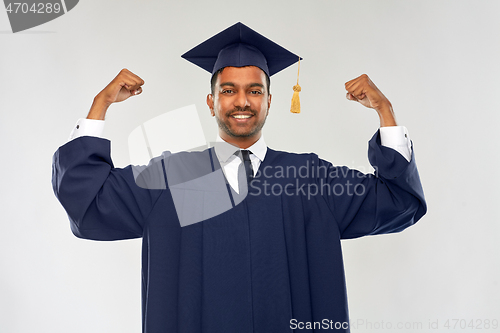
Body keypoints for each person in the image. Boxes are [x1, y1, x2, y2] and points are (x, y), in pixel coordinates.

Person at [52, 22, 426, 333]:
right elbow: (88, 204)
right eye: (228, 90)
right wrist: (100, 106)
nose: (242, 101)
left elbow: (399, 200)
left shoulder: (311, 178)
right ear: (212, 101)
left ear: (269, 101)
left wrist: (385, 111)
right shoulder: (172, 177)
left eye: (254, 90)